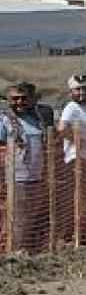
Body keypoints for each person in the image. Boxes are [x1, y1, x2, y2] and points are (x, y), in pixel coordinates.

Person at [1, 84, 46, 251]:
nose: (20, 102)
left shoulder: (36, 119)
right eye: (15, 99)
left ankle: (26, 250)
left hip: (35, 177)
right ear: (8, 100)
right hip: (17, 178)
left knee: (31, 217)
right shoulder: (5, 120)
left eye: (23, 98)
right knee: (17, 217)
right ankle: (14, 251)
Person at [58, 74, 86, 244]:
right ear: (70, 92)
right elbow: (62, 128)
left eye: (83, 89)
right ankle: (74, 237)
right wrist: (77, 140)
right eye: (77, 89)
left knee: (85, 199)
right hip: (78, 160)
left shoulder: (85, 111)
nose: (81, 92)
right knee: (80, 199)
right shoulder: (71, 107)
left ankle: (80, 235)